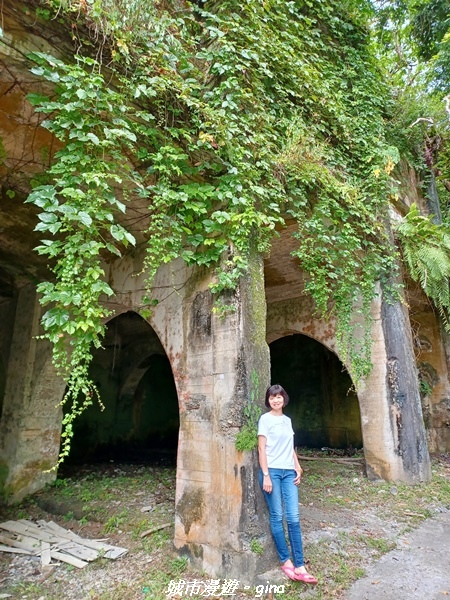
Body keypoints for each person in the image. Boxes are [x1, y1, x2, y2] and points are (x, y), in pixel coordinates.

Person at [258, 384, 318, 585]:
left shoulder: (287, 421)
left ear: (284, 399)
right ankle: (285, 560)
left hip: (288, 472)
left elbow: (289, 447)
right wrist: (265, 475)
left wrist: (298, 467)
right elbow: (261, 449)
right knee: (277, 515)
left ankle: (300, 564)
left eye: (279, 397)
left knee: (293, 516)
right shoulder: (265, 420)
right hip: (272, 472)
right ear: (268, 401)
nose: (276, 400)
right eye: (272, 397)